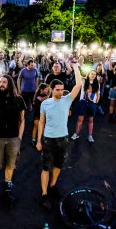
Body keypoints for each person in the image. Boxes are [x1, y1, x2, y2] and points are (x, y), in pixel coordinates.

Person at [37, 61, 83, 211]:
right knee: (45, 167)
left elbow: (79, 84)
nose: (61, 92)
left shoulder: (67, 99)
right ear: (51, 89)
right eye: (58, 90)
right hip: (48, 139)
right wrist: (38, 141)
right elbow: (41, 123)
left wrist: (75, 66)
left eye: (62, 90)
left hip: (63, 138)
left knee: (58, 165)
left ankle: (53, 185)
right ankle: (44, 195)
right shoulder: (45, 104)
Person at [0, 51, 26, 207]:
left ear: (9, 84)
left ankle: (8, 188)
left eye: (3, 82)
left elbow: (22, 120)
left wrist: (19, 137)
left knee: (10, 166)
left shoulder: (19, 99)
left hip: (14, 138)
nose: (0, 84)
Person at [71, 70, 100, 143]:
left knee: (90, 120)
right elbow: (78, 77)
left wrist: (96, 101)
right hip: (83, 102)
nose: (93, 75)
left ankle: (90, 135)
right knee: (80, 119)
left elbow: (98, 93)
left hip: (92, 103)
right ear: (88, 74)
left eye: (94, 74)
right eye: (91, 74)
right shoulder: (84, 82)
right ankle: (76, 133)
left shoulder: (97, 83)